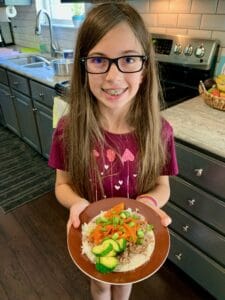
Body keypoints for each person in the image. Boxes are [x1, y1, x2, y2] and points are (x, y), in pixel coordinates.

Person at [48, 3, 178, 300]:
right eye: (98, 60)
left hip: (133, 233)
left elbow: (162, 185)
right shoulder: (69, 129)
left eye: (129, 59)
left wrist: (148, 201)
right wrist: (76, 203)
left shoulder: (160, 131)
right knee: (100, 284)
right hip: (94, 235)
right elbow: (62, 184)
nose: (113, 76)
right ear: (83, 67)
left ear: (145, 68)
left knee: (124, 282)